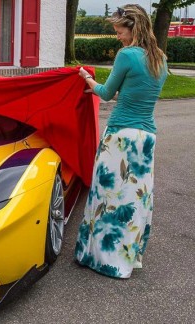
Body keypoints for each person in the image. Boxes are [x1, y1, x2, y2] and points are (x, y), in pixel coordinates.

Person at [75, 4, 167, 278]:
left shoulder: (127, 55)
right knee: (135, 199)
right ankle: (127, 258)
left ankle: (103, 257)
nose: (116, 35)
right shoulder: (160, 57)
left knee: (108, 195)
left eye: (118, 30)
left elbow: (106, 93)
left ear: (133, 28)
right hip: (146, 138)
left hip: (121, 136)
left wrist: (87, 78)